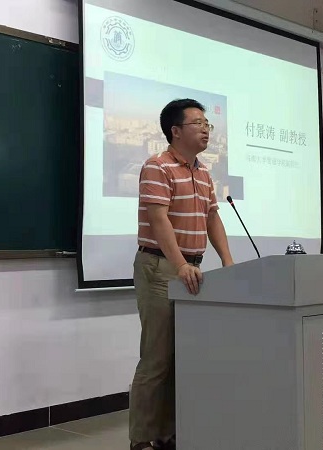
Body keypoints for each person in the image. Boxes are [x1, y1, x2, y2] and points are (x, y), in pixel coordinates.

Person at [129, 99, 234, 450]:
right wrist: (180, 265)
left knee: (182, 357)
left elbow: (212, 218)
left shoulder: (204, 172)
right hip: (161, 267)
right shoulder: (157, 166)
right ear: (175, 131)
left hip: (192, 269)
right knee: (157, 358)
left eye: (207, 124)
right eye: (198, 123)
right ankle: (142, 439)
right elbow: (159, 220)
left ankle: (170, 433)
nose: (206, 129)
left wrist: (229, 262)